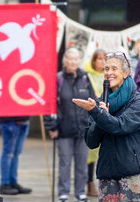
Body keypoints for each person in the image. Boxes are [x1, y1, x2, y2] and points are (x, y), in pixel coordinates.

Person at [73, 51, 140, 201]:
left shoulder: (138, 101)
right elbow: (91, 141)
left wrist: (98, 114)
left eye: (114, 69)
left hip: (134, 174)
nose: (109, 73)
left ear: (125, 73)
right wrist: (99, 113)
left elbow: (121, 126)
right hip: (108, 175)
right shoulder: (99, 103)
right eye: (106, 69)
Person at [47, 47, 95, 202]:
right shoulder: (58, 79)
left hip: (83, 129)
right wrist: (52, 127)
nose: (73, 62)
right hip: (64, 129)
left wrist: (93, 124)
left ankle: (80, 192)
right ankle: (63, 193)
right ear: (65, 60)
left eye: (76, 59)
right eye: (70, 59)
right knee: (65, 163)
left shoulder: (85, 78)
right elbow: (51, 105)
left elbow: (92, 102)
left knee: (82, 163)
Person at [83, 49, 105, 197]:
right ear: (93, 61)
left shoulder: (108, 76)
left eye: (104, 59)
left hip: (105, 115)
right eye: (99, 59)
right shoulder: (87, 76)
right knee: (91, 154)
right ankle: (89, 183)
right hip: (92, 115)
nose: (102, 62)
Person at [0, 116, 32, 195]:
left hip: (24, 119)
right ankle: (5, 183)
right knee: (8, 153)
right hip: (10, 120)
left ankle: (12, 182)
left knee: (16, 153)